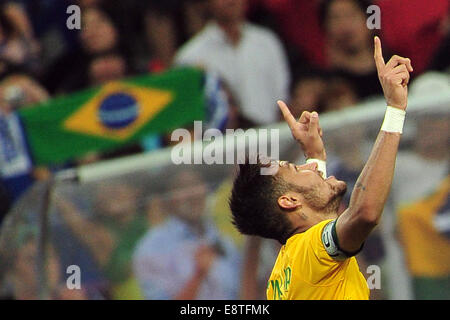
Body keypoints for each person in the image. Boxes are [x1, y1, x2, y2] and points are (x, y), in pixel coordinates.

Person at [229, 36, 413, 299]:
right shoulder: (313, 249)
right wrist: (395, 109)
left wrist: (315, 156)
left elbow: (320, 216)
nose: (308, 167)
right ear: (289, 200)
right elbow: (365, 213)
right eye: (296, 168)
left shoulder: (282, 275)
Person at [174, 0, 290, 127]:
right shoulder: (189, 57)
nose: (231, 1)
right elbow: (186, 121)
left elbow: (283, 100)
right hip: (218, 143)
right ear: (206, 3)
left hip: (273, 137)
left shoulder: (267, 42)